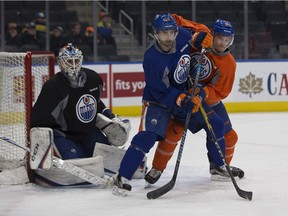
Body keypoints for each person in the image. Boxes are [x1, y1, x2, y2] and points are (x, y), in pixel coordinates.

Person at [110, 13, 229, 196]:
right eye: (163, 33)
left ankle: (218, 167)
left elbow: (198, 33)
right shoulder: (152, 58)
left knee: (216, 124)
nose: (168, 38)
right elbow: (160, 91)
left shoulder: (181, 34)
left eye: (171, 32)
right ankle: (122, 177)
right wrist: (182, 98)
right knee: (147, 137)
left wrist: (203, 39)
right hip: (158, 101)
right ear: (156, 34)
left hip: (183, 96)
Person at [145, 15, 244, 184]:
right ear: (212, 34)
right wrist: (197, 36)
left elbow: (221, 91)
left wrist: (202, 93)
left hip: (207, 99)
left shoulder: (229, 63)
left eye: (227, 40)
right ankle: (157, 168)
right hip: (181, 93)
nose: (222, 44)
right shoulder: (202, 33)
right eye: (220, 38)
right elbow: (173, 20)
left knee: (230, 136)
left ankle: (219, 168)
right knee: (174, 131)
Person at [30, 43, 144, 186]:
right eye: (69, 61)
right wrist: (40, 144)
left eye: (76, 61)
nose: (73, 65)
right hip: (65, 135)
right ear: (60, 62)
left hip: (88, 132)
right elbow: (38, 120)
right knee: (80, 165)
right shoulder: (53, 87)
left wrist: (109, 116)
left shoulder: (93, 79)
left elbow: (96, 103)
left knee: (106, 159)